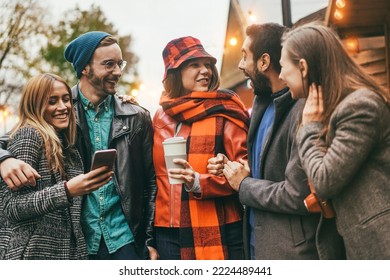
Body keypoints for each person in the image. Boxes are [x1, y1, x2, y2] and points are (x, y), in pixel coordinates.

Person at [0, 31, 158, 260]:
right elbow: (16, 135)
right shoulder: (58, 111)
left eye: (119, 64)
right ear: (85, 68)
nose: (118, 72)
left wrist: (150, 239)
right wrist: (4, 159)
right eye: (109, 64)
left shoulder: (136, 116)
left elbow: (150, 181)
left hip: (125, 239)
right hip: (77, 241)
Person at [208, 23, 345, 260]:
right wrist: (239, 168)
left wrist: (244, 184)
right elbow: (269, 169)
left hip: (291, 253)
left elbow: (298, 193)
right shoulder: (262, 104)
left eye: (244, 56)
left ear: (263, 62)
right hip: (256, 245)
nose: (240, 65)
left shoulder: (306, 110)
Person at [279, 22, 390, 259]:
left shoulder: (360, 106)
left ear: (303, 67)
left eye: (283, 67)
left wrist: (309, 129)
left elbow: (324, 181)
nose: (280, 76)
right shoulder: (328, 110)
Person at [153, 36, 249, 260]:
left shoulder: (224, 109)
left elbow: (245, 171)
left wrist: (198, 181)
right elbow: (152, 179)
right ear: (174, 72)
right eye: (194, 64)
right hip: (168, 231)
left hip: (221, 224)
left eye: (207, 64)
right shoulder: (159, 116)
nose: (205, 70)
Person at [0, 73, 113, 259]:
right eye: (52, 101)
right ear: (36, 106)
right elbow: (12, 207)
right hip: (31, 254)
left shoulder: (69, 147)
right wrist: (67, 190)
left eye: (66, 99)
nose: (63, 107)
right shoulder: (29, 136)